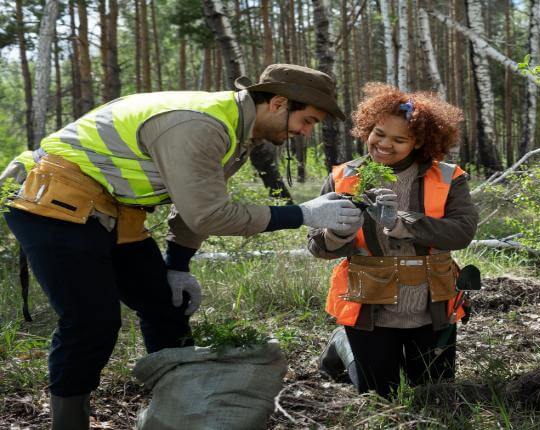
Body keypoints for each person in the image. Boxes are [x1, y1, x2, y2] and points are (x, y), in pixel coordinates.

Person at [0, 64, 363, 430]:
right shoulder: (200, 125)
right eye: (308, 120)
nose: (306, 132)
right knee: (91, 322)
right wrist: (302, 213)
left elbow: (194, 206)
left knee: (166, 305)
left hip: (113, 212)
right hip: (53, 204)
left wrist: (177, 266)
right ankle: (69, 423)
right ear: (279, 103)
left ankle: (177, 411)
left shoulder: (236, 130)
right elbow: (209, 215)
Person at [307, 83, 478, 397]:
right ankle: (344, 345)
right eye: (379, 133)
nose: (384, 145)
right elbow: (317, 246)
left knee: (434, 393)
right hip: (368, 304)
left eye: (399, 139)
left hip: (434, 305)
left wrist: (405, 224)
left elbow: (462, 232)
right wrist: (338, 232)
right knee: (378, 395)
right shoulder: (344, 177)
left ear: (420, 143)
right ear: (367, 127)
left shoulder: (448, 177)